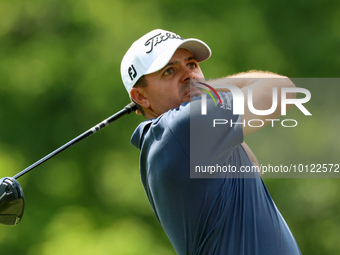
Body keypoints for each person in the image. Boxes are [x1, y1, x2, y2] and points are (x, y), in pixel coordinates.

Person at [120, 29, 301, 255]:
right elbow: (282, 89)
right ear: (140, 98)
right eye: (169, 71)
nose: (189, 75)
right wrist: (209, 89)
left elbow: (253, 168)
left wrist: (203, 93)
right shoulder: (181, 127)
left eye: (192, 65)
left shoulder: (171, 139)